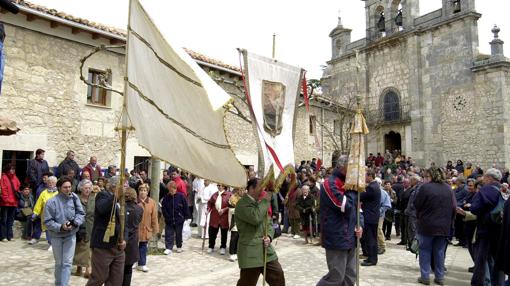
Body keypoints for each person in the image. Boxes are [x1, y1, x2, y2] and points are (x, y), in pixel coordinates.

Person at [317, 156, 363, 286]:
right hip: (336, 237)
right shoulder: (329, 183)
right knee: (336, 277)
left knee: (350, 276)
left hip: (351, 236)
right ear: (343, 167)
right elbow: (345, 206)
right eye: (352, 167)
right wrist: (352, 189)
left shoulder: (351, 184)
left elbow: (358, 209)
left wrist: (361, 226)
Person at [235, 178, 285, 286]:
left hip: (266, 251)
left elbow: (269, 224)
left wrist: (269, 237)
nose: (263, 191)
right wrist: (266, 199)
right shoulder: (241, 204)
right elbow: (255, 217)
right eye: (260, 188)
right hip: (250, 252)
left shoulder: (260, 203)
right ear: (252, 189)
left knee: (278, 277)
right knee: (247, 283)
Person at [414, 167, 456, 285]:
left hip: (427, 224)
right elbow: (454, 207)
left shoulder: (425, 187)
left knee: (425, 251)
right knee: (439, 252)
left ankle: (425, 276)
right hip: (444, 226)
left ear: (430, 176)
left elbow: (417, 204)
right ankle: (440, 276)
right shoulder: (448, 188)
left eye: (426, 176)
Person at [44, 176, 85, 286]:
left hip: (70, 235)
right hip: (56, 236)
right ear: (59, 188)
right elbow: (47, 221)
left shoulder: (75, 198)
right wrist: (60, 227)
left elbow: (81, 213)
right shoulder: (51, 202)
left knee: (67, 263)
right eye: (65, 187)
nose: (68, 189)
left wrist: (76, 222)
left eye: (69, 187)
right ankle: (58, 283)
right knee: (59, 263)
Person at [86, 176, 127, 286]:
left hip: (118, 247)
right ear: (114, 186)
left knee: (116, 281)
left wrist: (125, 240)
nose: (125, 189)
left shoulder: (123, 200)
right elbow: (102, 208)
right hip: (103, 246)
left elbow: (124, 223)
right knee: (99, 278)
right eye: (123, 186)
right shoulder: (102, 195)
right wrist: (115, 196)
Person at [470, 168, 504, 286]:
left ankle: (481, 283)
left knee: (482, 260)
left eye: (484, 177)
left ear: (489, 178)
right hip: (500, 230)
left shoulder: (485, 190)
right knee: (497, 260)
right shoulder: (504, 189)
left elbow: (474, 208)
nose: (483, 180)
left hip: (486, 230)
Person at [161, 181, 190, 255]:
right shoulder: (166, 198)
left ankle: (179, 246)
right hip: (169, 219)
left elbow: (185, 207)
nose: (171, 191)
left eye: (172, 190)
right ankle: (168, 248)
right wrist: (166, 216)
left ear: (175, 189)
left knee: (178, 234)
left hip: (179, 219)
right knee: (168, 234)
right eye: (169, 190)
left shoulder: (181, 196)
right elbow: (163, 208)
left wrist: (187, 217)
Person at [73, 179, 93, 278]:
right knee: (79, 248)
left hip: (91, 226)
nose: (88, 190)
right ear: (81, 188)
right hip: (79, 226)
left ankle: (88, 268)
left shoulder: (93, 199)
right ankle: (79, 266)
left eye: (89, 188)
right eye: (86, 188)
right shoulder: (76, 199)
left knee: (89, 248)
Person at [122, 188, 143, 286]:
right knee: (128, 268)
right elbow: (138, 221)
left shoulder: (122, 208)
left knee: (119, 268)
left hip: (122, 240)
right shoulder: (139, 209)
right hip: (133, 240)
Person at [360, 171, 381, 266]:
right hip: (372, 216)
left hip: (370, 216)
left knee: (371, 238)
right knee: (371, 238)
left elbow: (361, 196)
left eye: (365, 176)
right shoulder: (374, 186)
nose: (364, 178)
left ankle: (372, 259)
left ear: (370, 176)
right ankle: (370, 257)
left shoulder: (371, 187)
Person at [32, 175, 59, 249]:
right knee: (48, 229)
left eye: (53, 182)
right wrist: (35, 212)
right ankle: (50, 243)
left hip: (56, 215)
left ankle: (56, 243)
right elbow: (39, 203)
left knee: (55, 229)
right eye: (49, 182)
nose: (51, 184)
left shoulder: (58, 193)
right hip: (46, 215)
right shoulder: (43, 193)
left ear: (56, 183)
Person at [137, 183, 158, 272]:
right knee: (134, 246)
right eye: (141, 190)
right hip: (136, 228)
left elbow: (154, 216)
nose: (143, 192)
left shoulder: (152, 202)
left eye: (145, 191)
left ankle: (142, 264)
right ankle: (133, 262)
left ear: (147, 192)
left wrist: (155, 228)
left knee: (143, 246)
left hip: (146, 228)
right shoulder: (135, 201)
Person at [207, 184, 231, 254]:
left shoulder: (229, 195)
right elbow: (210, 204)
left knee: (224, 233)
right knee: (212, 232)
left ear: (224, 186)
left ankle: (223, 246)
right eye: (218, 185)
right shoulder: (214, 195)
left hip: (224, 217)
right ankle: (211, 246)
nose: (219, 187)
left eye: (221, 185)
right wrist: (208, 210)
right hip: (214, 217)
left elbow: (231, 205)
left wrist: (224, 210)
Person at [0, 163, 19, 242]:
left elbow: (18, 185)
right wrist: (7, 199)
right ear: (8, 170)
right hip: (5, 203)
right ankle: (3, 236)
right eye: (11, 169)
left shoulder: (15, 177)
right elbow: (3, 190)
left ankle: (10, 236)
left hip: (13, 202)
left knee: (10, 220)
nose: (13, 170)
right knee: (3, 220)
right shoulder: (4, 177)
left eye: (13, 169)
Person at [228, 188, 243, 262]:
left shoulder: (245, 198)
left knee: (239, 238)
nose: (242, 192)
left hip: (242, 221)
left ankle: (237, 253)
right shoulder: (232, 198)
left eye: (243, 190)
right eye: (240, 190)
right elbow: (231, 210)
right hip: (235, 221)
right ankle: (232, 253)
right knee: (234, 237)